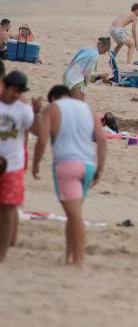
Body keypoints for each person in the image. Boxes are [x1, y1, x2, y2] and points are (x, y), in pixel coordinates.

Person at [31, 85, 106, 267]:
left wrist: (35, 164)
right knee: (73, 214)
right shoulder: (86, 108)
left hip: (67, 165)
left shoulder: (52, 108)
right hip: (88, 165)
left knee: (75, 215)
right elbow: (101, 140)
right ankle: (69, 257)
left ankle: (79, 259)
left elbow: (42, 139)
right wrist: (99, 169)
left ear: (54, 98)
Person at [0, 71, 43, 263]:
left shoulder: (23, 109)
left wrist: (36, 112)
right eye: (13, 91)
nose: (16, 95)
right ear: (5, 85)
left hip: (13, 166)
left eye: (19, 92)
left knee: (8, 209)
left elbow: (38, 132)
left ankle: (2, 255)